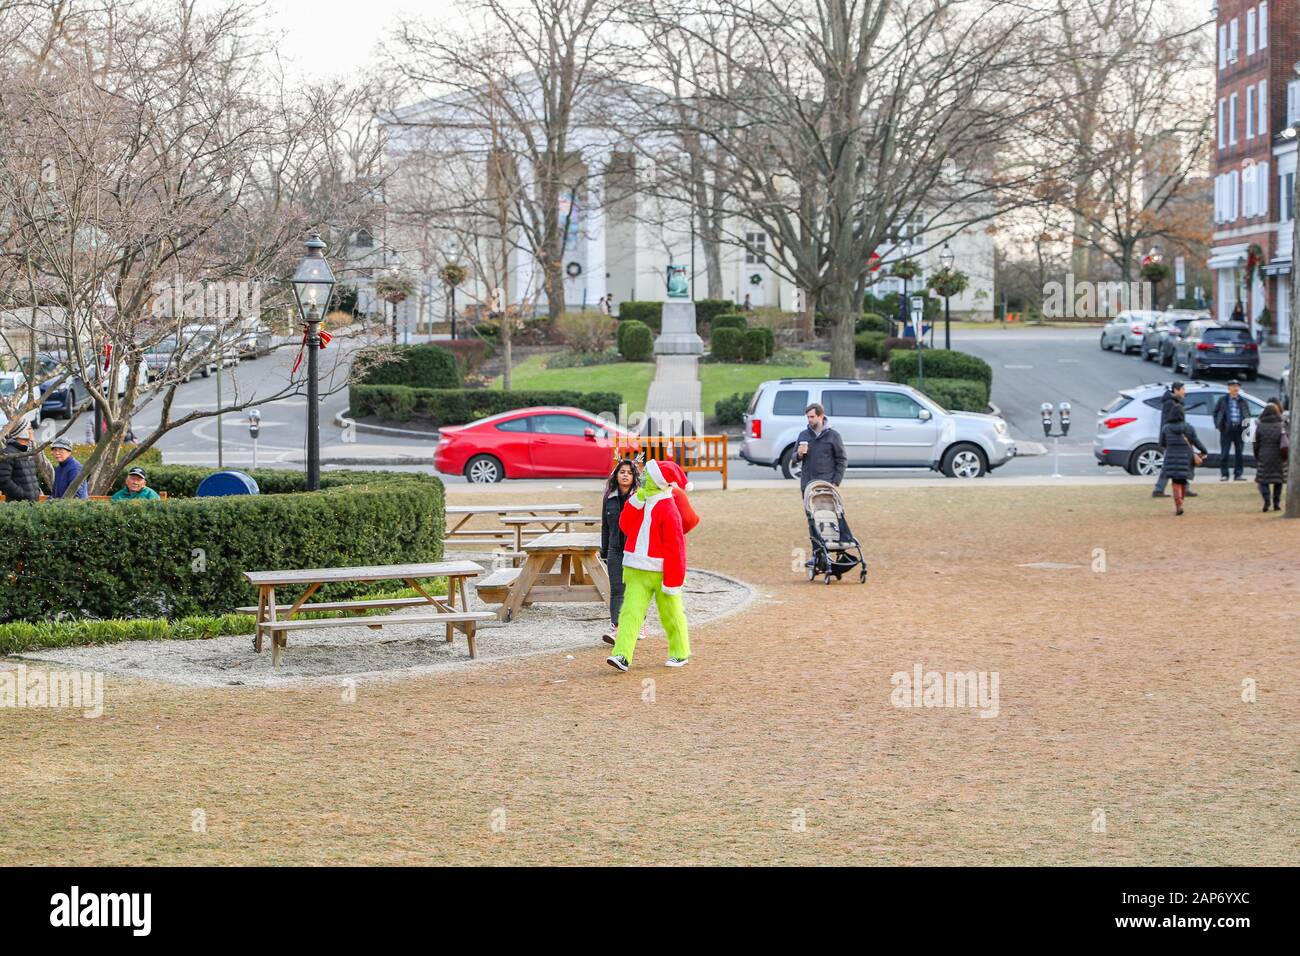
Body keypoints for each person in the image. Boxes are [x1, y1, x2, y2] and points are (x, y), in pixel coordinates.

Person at [606, 459, 698, 672]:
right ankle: (622, 654)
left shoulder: (669, 509)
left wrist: (673, 581)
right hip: (636, 569)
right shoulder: (641, 500)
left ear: (657, 481)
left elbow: (676, 548)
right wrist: (635, 502)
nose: (643, 477)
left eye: (647, 475)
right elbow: (625, 526)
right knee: (629, 613)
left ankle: (680, 651)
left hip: (661, 572)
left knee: (671, 614)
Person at [600, 458, 640, 645]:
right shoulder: (609, 498)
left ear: (634, 477)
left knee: (635, 589)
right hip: (615, 549)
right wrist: (604, 550)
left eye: (629, 472)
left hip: (636, 550)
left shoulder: (639, 497)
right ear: (616, 475)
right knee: (617, 589)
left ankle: (638, 624)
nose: (625, 475)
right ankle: (616, 626)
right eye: (622, 472)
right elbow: (605, 526)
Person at [1160, 404, 1207, 516]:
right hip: (1186, 458)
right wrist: (1204, 451)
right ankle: (1181, 503)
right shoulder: (1188, 428)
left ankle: (1178, 504)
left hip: (1171, 457)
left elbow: (1162, 443)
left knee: (1175, 481)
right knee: (1182, 480)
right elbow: (1196, 442)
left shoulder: (1166, 428)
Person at [1152, 382, 1197, 498]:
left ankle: (1184, 488)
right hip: (1173, 439)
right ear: (1176, 390)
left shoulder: (1175, 402)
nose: (1184, 391)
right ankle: (1159, 489)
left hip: (1175, 438)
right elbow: (1169, 422)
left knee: (1179, 463)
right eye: (1182, 389)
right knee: (1169, 464)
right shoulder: (1171, 403)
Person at [794, 403, 847, 492]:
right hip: (807, 485)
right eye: (808, 417)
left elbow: (842, 460)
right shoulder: (803, 435)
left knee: (825, 507)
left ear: (821, 416)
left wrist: (835, 482)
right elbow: (794, 458)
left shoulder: (834, 435)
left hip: (826, 485)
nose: (809, 420)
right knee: (807, 507)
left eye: (812, 417)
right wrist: (799, 454)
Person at [1253, 400, 1287, 512]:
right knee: (1278, 480)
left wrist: (1257, 455)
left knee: (1263, 481)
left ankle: (1267, 500)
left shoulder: (1260, 426)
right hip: (1278, 456)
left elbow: (1256, 443)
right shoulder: (1281, 425)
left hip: (1264, 455)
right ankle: (1276, 504)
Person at [1214, 380, 1250, 482]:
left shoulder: (1243, 401)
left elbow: (1247, 414)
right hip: (1227, 429)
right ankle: (1224, 474)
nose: (1235, 388)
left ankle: (1238, 474)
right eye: (1233, 386)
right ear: (1229, 388)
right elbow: (1216, 413)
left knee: (1239, 453)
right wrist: (1219, 425)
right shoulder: (1223, 400)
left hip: (1239, 429)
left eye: (1237, 386)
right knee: (1224, 453)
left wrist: (1246, 429)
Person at [0, 423, 41, 502]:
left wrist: (36, 492)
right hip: (19, 507)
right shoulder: (8, 453)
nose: (32, 431)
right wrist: (22, 495)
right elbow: (3, 480)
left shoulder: (28, 451)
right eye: (29, 429)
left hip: (33, 504)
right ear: (21, 432)